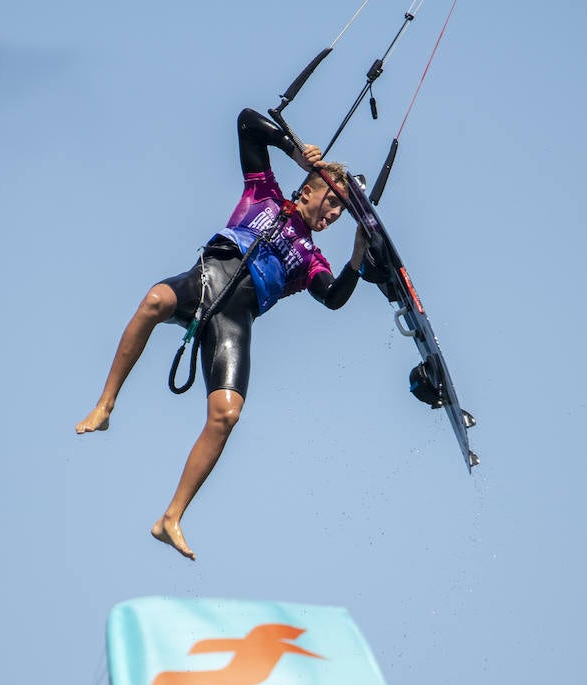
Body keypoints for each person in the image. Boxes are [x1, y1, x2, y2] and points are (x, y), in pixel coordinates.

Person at [75, 107, 368, 560]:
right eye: (333, 203)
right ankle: (105, 404)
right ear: (309, 188)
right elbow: (248, 121)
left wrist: (357, 256)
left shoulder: (313, 259)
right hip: (207, 280)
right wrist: (297, 152)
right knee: (155, 300)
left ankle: (170, 518)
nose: (334, 214)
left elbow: (334, 298)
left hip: (234, 322)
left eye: (342, 213)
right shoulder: (263, 193)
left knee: (226, 414)